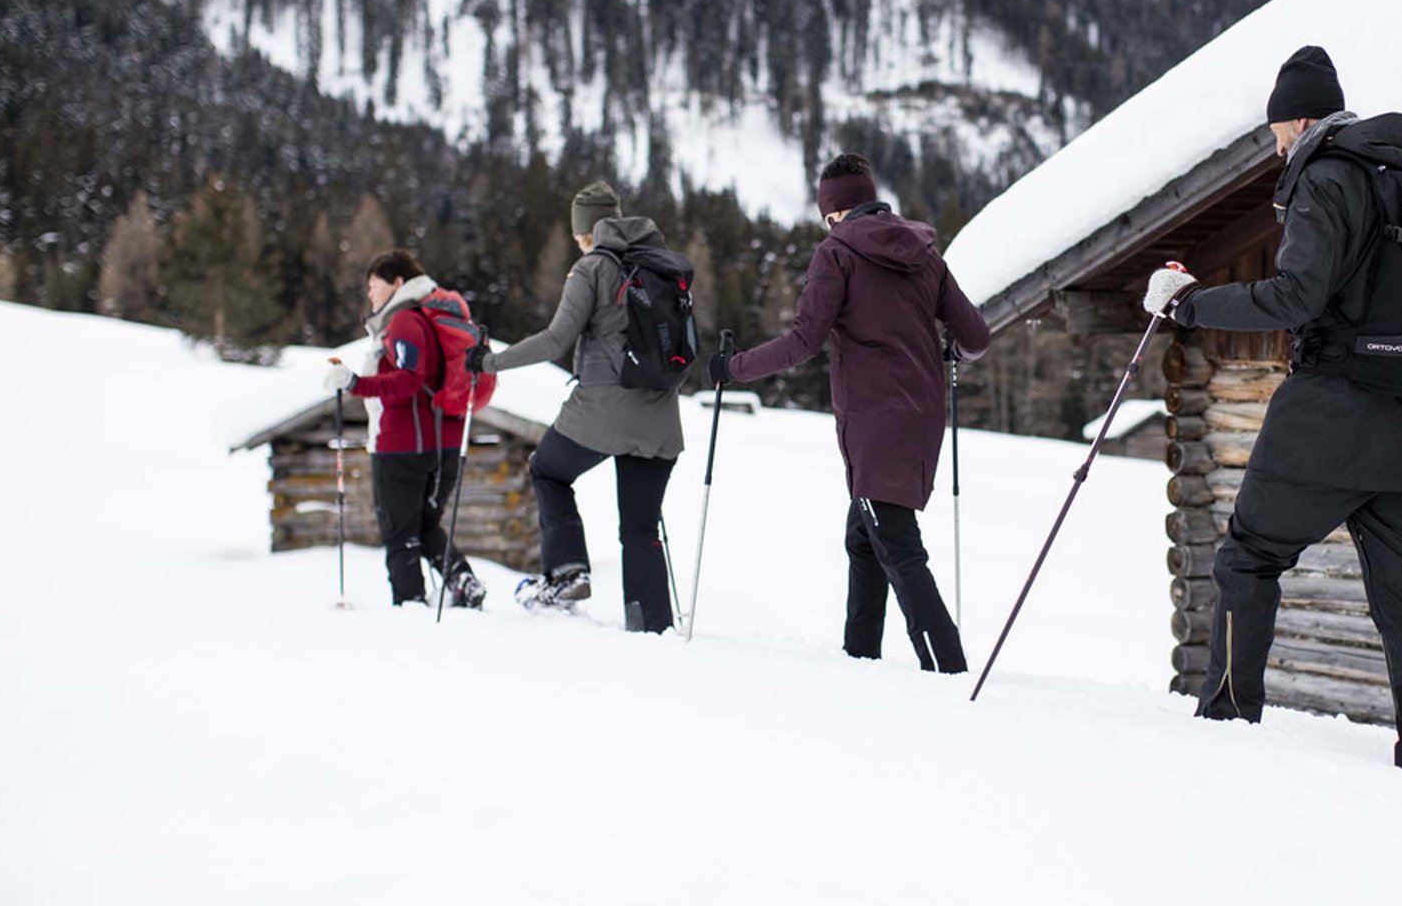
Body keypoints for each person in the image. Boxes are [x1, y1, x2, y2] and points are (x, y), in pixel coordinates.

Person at [1140, 46, 1402, 778]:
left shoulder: (1325, 175)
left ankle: (1225, 722)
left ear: (1302, 118)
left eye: (1277, 132)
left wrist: (1191, 305)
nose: (1276, 146)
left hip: (1330, 407)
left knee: (1246, 558)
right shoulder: (1401, 175)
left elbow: (1297, 297)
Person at [708, 154, 990, 673]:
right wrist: (949, 353)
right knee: (864, 537)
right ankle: (859, 662)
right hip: (922, 414)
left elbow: (802, 342)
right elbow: (975, 337)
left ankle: (949, 671)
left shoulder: (835, 253)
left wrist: (733, 368)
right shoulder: (925, 252)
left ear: (835, 212)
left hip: (873, 419)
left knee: (898, 545)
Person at [466, 181, 685, 630]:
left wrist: (490, 361)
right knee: (640, 530)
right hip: (660, 417)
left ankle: (567, 572)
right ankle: (651, 626)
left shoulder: (592, 267)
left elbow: (555, 340)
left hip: (602, 408)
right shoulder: (660, 264)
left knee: (548, 470)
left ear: (584, 231)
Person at [323, 250, 487, 609]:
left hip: (402, 446)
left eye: (374, 285)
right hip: (443, 443)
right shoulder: (429, 317)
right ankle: (462, 580)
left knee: (400, 534)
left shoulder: (403, 322)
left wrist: (355, 383)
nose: (370, 294)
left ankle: (410, 604)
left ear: (398, 283)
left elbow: (409, 380)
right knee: (425, 525)